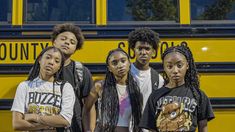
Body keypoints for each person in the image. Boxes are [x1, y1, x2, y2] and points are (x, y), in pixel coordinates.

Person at [139, 45, 215, 132]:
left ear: (187, 65)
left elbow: (203, 127)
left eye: (179, 65)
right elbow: (152, 129)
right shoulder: (155, 96)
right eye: (169, 66)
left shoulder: (199, 95)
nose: (175, 71)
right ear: (164, 68)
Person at [11, 46, 75, 131]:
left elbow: (65, 120)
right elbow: (17, 124)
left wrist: (35, 117)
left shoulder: (65, 87)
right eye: (48, 57)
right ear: (40, 60)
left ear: (59, 67)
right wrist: (46, 125)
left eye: (56, 61)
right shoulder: (24, 86)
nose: (51, 62)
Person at [83, 48, 143, 132]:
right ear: (109, 68)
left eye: (123, 61)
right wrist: (88, 130)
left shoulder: (135, 88)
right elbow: (86, 109)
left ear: (129, 63)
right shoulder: (100, 86)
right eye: (114, 63)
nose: (120, 65)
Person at [52, 23, 94, 132]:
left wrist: (89, 129)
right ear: (54, 41)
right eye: (63, 39)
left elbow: (89, 105)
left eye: (72, 42)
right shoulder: (41, 69)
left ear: (75, 49)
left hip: (75, 127)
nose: (67, 42)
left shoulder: (81, 72)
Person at [128, 27, 164, 111]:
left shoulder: (158, 79)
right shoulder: (125, 73)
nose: (143, 52)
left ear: (153, 52)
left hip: (146, 123)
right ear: (133, 50)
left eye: (147, 49)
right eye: (140, 48)